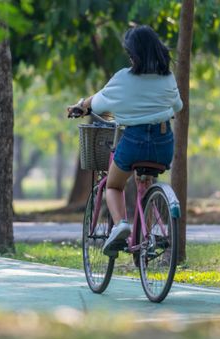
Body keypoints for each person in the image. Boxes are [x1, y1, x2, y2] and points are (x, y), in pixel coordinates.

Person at [68, 25, 182, 256]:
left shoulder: (123, 78)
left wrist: (82, 105)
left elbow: (98, 103)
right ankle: (151, 233)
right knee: (146, 181)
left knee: (113, 185)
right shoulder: (168, 77)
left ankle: (121, 225)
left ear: (135, 54)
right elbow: (178, 107)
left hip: (134, 140)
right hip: (163, 143)